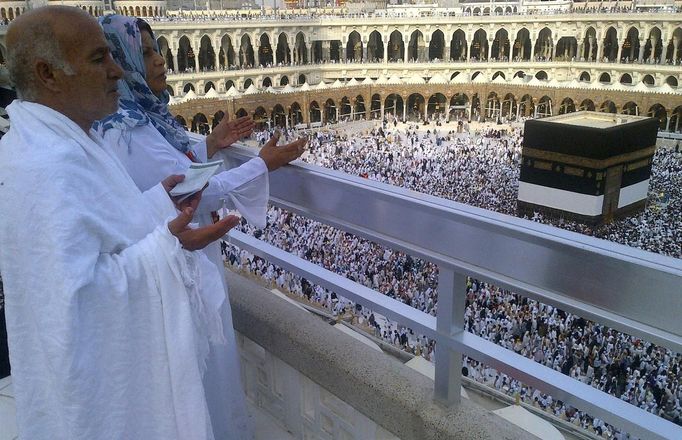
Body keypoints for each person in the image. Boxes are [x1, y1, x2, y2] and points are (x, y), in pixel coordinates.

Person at [0, 7, 237, 439]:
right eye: (98, 59)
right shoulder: (48, 165)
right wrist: (167, 245)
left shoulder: (58, 140)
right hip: (97, 405)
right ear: (49, 74)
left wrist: (158, 205)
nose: (117, 72)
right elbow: (79, 298)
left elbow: (101, 235)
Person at [95, 14, 307, 440]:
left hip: (174, 256)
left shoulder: (138, 114)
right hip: (174, 259)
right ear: (124, 59)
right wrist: (261, 165)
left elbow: (173, 161)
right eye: (148, 52)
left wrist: (210, 143)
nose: (160, 61)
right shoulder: (126, 131)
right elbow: (193, 195)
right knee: (200, 367)